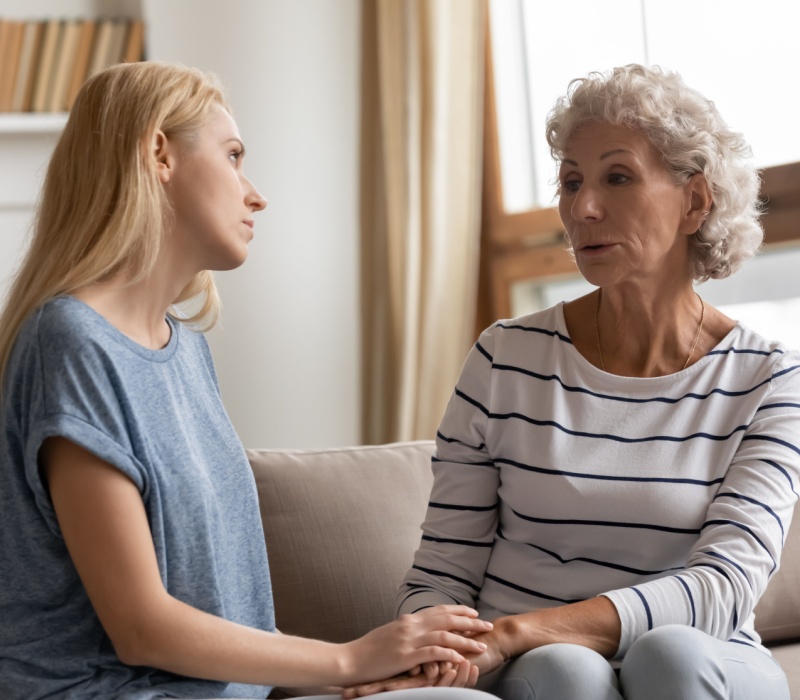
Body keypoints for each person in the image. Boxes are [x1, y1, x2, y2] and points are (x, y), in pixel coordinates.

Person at [0, 61, 498, 700]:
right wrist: (351, 659)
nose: (254, 193)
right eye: (232, 156)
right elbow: (141, 628)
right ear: (159, 153)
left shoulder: (186, 352)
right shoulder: (70, 341)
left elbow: (222, 619)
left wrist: (379, 663)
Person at [345, 64, 800, 700]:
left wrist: (519, 630)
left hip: (702, 656)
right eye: (571, 181)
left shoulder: (770, 380)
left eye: (618, 177)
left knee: (667, 654)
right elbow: (443, 570)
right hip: (538, 669)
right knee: (566, 668)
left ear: (695, 201)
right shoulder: (505, 356)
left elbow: (724, 585)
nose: (582, 208)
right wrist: (435, 645)